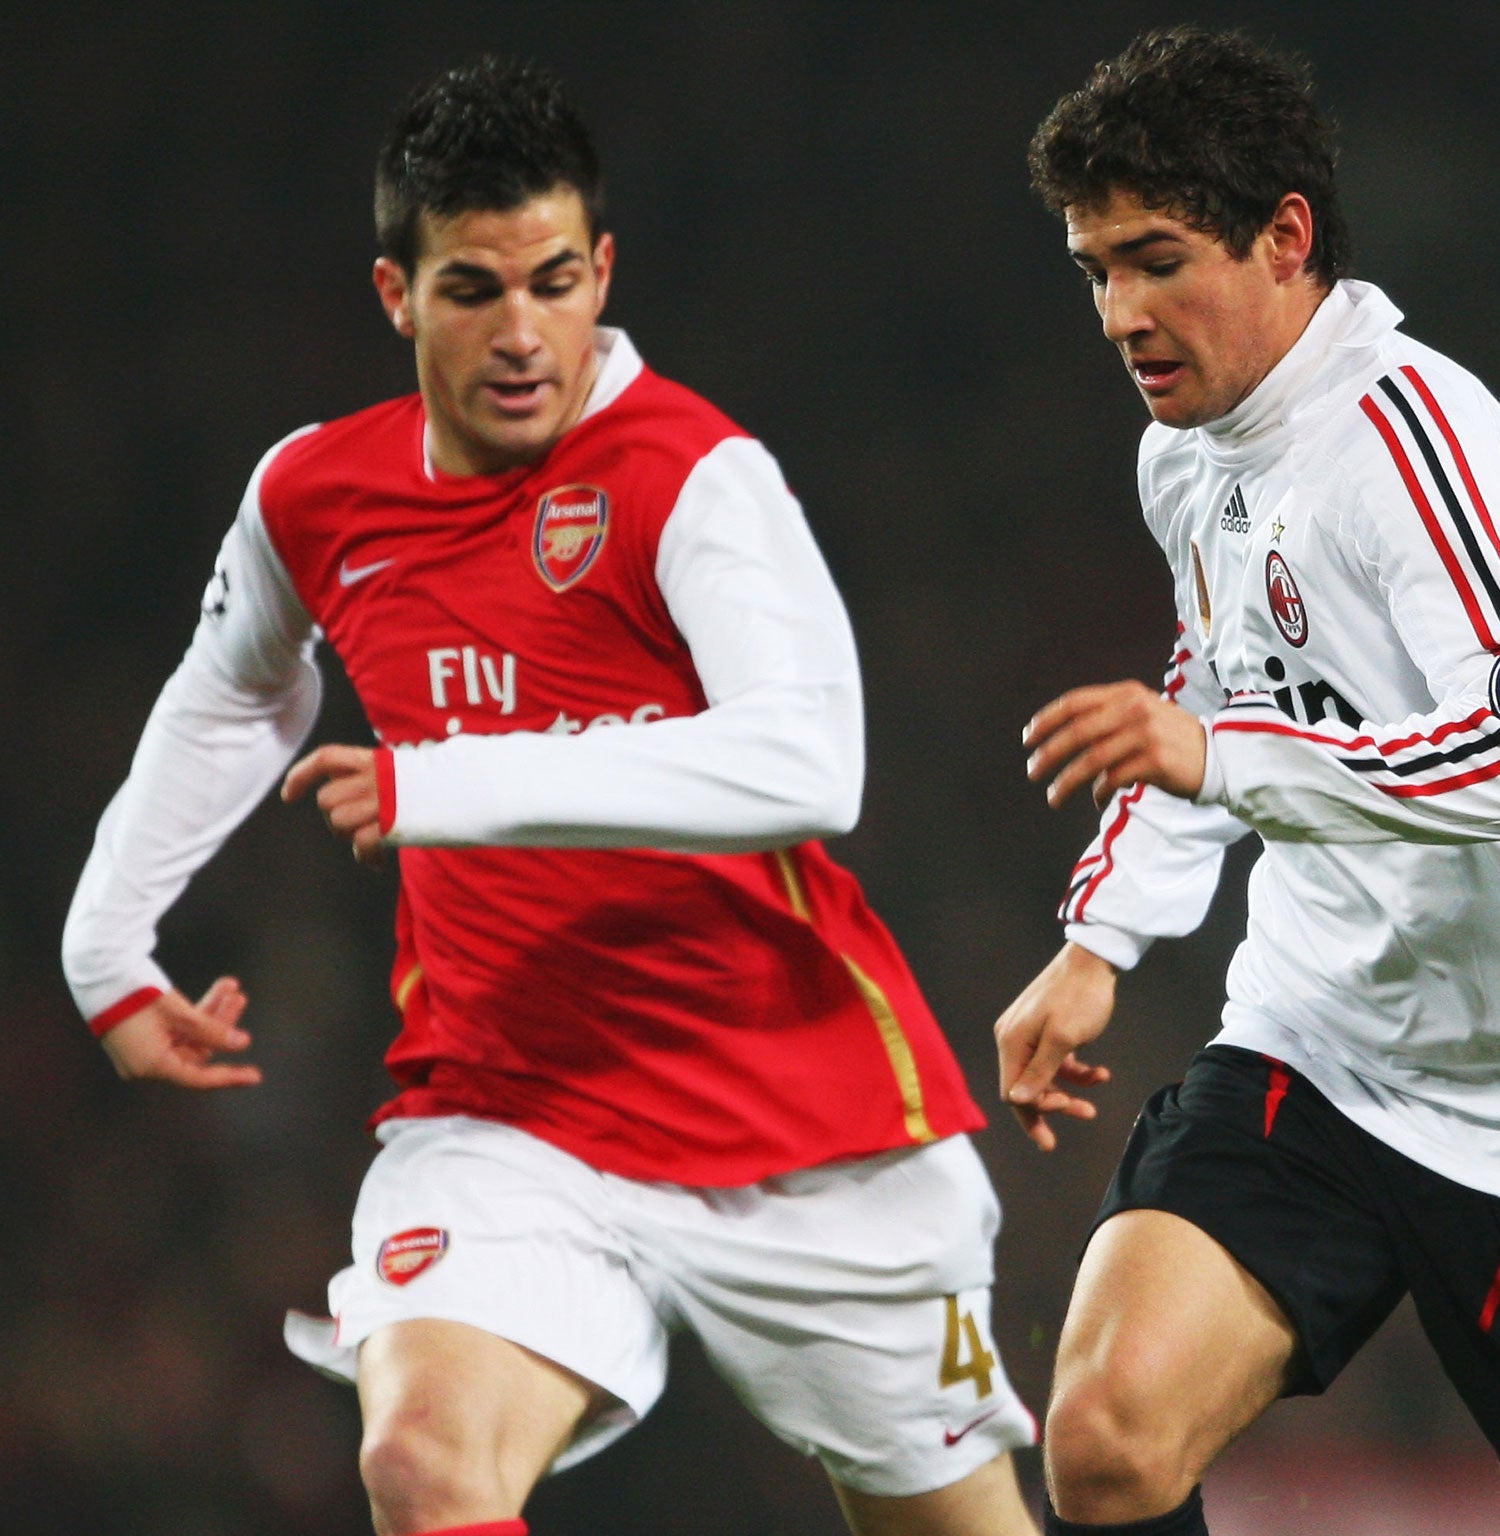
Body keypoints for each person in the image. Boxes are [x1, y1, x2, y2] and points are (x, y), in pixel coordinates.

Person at [62, 57, 1037, 1536]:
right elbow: (237, 693)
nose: (522, 334)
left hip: (806, 1124)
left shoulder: (696, 476)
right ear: (395, 292)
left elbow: (809, 764)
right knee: (424, 1462)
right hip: (512, 1111)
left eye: (555, 282)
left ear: (604, 274)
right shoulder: (314, 496)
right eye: (472, 290)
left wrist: (448, 782)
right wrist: (109, 946)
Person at [995, 27, 1500, 1536]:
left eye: (1155, 259)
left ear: (1286, 238)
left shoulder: (1421, 443)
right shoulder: (1185, 457)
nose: (1122, 312)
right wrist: (1099, 944)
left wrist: (1222, 757)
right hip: (1319, 1046)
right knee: (1105, 1440)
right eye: (1093, 272)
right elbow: (1207, 691)